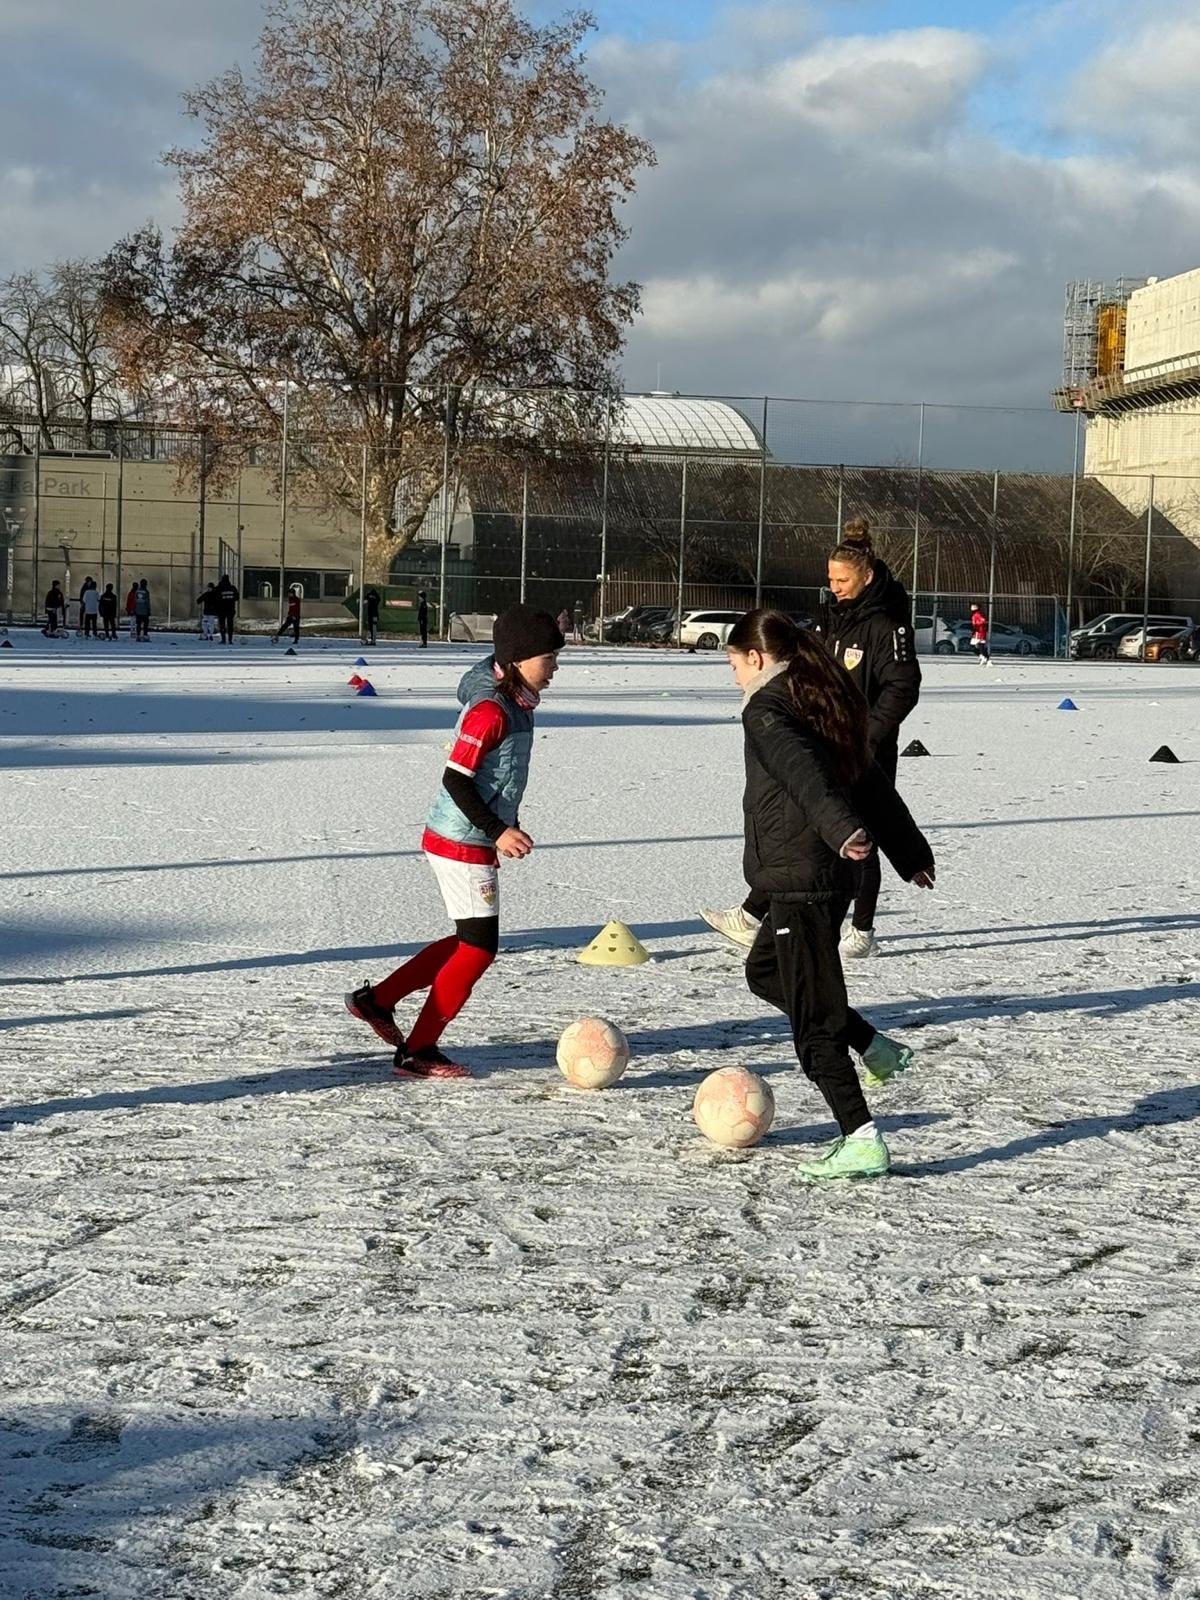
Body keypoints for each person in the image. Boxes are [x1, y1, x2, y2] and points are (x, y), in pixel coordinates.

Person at [730, 609, 935, 1181]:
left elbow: (805, 775)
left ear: (756, 658)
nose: (733, 675)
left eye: (733, 662)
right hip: (814, 872)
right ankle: (874, 1046)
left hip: (805, 877)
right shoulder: (819, 696)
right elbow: (868, 778)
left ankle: (861, 1138)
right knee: (766, 973)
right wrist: (909, 851)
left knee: (814, 1023)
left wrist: (843, 829)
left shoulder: (770, 707)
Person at [345, 603, 565, 1078]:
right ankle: (418, 1049)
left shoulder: (517, 699)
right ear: (521, 659)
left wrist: (500, 828)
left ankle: (377, 1001)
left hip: (470, 838)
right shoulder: (491, 711)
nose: (555, 668)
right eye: (548, 657)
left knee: (470, 940)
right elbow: (457, 780)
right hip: (458, 839)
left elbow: (499, 777)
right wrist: (498, 831)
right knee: (479, 949)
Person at [702, 516, 922, 960]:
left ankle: (861, 928)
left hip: (865, 749)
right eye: (830, 579)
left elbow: (903, 688)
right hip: (825, 739)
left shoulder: (888, 624)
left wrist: (865, 736)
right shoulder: (830, 619)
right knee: (814, 824)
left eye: (842, 579)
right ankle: (753, 915)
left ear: (868, 576)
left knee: (859, 830)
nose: (835, 586)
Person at [215, 573, 239, 644]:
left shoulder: (219, 588)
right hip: (231, 609)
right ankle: (230, 640)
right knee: (230, 625)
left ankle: (223, 639)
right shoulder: (233, 588)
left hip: (221, 610)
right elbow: (237, 598)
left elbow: (216, 598)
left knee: (222, 624)